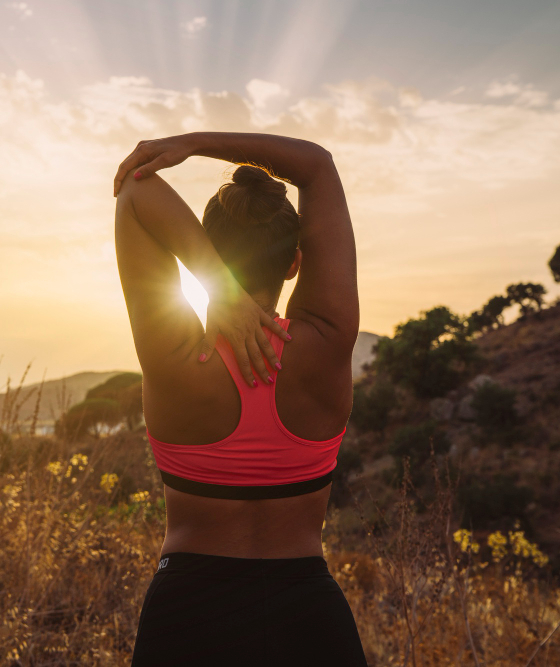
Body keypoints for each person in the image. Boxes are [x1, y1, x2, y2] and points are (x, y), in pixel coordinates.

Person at [112, 132, 367, 666]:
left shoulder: (176, 356)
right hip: (308, 619)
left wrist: (219, 285)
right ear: (295, 262)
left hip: (187, 616)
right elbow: (317, 165)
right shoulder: (326, 341)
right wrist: (194, 144)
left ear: (207, 257)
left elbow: (137, 196)